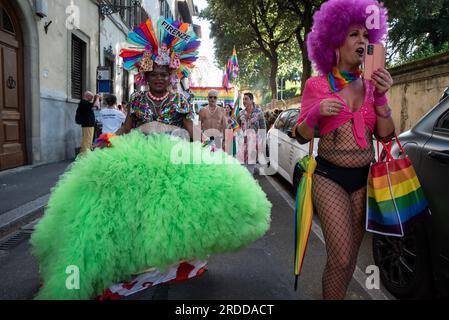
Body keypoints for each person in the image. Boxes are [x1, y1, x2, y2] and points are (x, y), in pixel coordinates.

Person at [31, 17, 271, 300]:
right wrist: (106, 141)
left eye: (163, 73)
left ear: (170, 74)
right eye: (154, 73)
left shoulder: (180, 99)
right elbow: (127, 128)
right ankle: (136, 260)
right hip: (138, 161)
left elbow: (190, 127)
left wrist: (204, 144)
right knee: (132, 208)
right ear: (146, 75)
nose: (158, 77)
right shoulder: (136, 99)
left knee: (171, 210)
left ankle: (170, 258)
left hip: (172, 160)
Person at [292, 0, 394, 300]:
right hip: (329, 177)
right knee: (339, 256)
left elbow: (386, 137)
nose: (362, 41)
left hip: (364, 178)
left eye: (366, 35)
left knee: (349, 260)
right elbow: (299, 135)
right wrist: (315, 113)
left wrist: (383, 98)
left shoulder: (373, 85)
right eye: (353, 34)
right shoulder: (316, 85)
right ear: (335, 41)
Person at [236, 92, 267, 174]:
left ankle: (249, 184)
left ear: (251, 100)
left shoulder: (259, 113)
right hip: (242, 143)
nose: (244, 101)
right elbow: (236, 126)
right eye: (243, 99)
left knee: (250, 168)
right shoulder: (241, 113)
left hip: (253, 144)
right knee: (241, 167)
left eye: (246, 99)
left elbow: (263, 128)